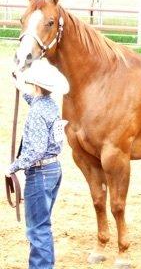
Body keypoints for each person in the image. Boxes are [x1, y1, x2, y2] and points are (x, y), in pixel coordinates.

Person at [5, 59, 69, 269]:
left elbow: (35, 150)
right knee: (43, 225)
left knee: (37, 229)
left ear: (36, 86)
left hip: (39, 172)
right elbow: (32, 98)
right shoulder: (49, 104)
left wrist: (12, 167)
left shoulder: (36, 113)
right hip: (53, 170)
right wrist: (20, 84)